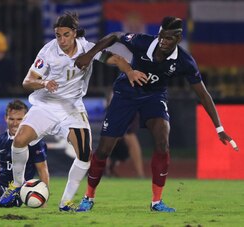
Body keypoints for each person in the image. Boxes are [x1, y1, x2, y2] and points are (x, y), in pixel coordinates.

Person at [74, 16, 239, 212]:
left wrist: (219, 127)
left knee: (163, 140)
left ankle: (156, 202)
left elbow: (203, 94)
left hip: (154, 97)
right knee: (104, 149)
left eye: (168, 38)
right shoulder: (142, 41)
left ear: (178, 38)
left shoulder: (185, 61)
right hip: (126, 93)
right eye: (161, 36)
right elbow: (115, 36)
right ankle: (88, 197)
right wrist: (91, 54)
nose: (162, 41)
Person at [0, 12, 145, 212]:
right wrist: (43, 82)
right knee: (19, 140)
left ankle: (65, 202)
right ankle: (16, 185)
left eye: (66, 35)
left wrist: (130, 71)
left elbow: (116, 59)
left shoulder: (87, 49)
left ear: (74, 33)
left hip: (72, 107)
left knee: (84, 155)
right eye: (58, 35)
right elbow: (26, 81)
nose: (61, 40)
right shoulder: (48, 51)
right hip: (46, 105)